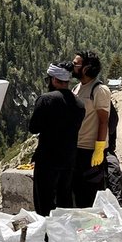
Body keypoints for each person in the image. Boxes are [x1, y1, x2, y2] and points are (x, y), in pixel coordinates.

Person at [28, 61, 85, 216]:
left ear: (54, 79)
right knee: (64, 199)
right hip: (69, 159)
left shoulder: (46, 100)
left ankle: (46, 236)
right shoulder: (79, 104)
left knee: (44, 201)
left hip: (47, 159)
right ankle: (63, 235)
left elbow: (33, 128)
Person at [70, 51, 113, 208]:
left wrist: (99, 148)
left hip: (90, 151)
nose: (72, 66)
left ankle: (91, 229)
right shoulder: (76, 88)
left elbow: (103, 121)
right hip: (76, 148)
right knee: (77, 192)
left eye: (76, 64)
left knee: (89, 195)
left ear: (87, 68)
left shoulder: (99, 90)